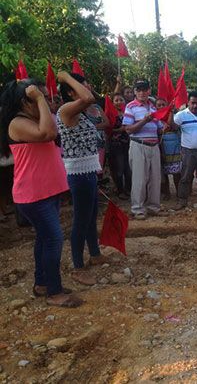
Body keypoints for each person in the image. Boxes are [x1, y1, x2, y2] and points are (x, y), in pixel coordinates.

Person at [0, 79, 83, 307]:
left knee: (45, 239)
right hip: (33, 195)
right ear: (24, 102)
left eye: (46, 97)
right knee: (54, 240)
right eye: (41, 97)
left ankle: (42, 284)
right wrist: (38, 99)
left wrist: (39, 100)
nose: (47, 100)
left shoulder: (32, 118)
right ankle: (54, 293)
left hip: (46, 191)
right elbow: (48, 132)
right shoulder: (17, 122)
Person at [57, 72, 112, 286]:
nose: (88, 87)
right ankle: (78, 267)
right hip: (78, 173)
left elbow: (88, 99)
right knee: (81, 219)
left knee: (91, 215)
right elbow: (88, 97)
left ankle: (95, 253)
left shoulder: (80, 110)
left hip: (88, 169)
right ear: (72, 92)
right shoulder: (65, 110)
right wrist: (66, 77)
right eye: (83, 85)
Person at [122, 79, 165, 220]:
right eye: (138, 90)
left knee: (155, 178)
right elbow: (128, 130)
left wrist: (165, 127)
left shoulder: (153, 108)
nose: (142, 92)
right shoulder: (130, 106)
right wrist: (144, 121)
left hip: (154, 146)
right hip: (138, 145)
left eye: (144, 89)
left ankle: (154, 207)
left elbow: (158, 129)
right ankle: (137, 209)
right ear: (135, 92)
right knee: (139, 179)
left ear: (149, 91)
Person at [107, 92, 131, 200]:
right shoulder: (110, 113)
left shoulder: (128, 112)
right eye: (116, 100)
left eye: (121, 100)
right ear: (113, 102)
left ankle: (128, 189)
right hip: (116, 145)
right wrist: (119, 130)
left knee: (128, 168)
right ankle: (120, 190)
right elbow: (107, 129)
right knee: (119, 168)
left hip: (128, 143)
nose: (119, 102)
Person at [157, 97, 181, 201]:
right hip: (162, 149)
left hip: (174, 149)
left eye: (163, 105)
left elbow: (174, 126)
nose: (161, 107)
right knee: (164, 174)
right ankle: (166, 193)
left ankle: (179, 193)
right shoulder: (155, 119)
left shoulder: (175, 117)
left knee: (177, 173)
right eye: (159, 105)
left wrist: (170, 112)